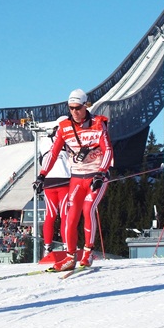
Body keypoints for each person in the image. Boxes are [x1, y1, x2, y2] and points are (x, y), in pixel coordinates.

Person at [34, 89, 113, 271]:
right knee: (71, 215)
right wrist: (42, 175)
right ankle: (70, 256)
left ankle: (88, 252)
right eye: (71, 108)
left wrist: (101, 173)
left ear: (86, 106)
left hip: (96, 176)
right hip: (77, 177)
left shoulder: (98, 124)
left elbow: (108, 149)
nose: (75, 112)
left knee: (88, 209)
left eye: (78, 108)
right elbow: (53, 153)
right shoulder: (64, 127)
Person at [33, 119, 71, 256]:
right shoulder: (68, 140)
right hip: (65, 180)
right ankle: (67, 246)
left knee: (50, 215)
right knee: (65, 215)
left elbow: (41, 160)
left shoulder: (44, 141)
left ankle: (47, 247)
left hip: (48, 181)